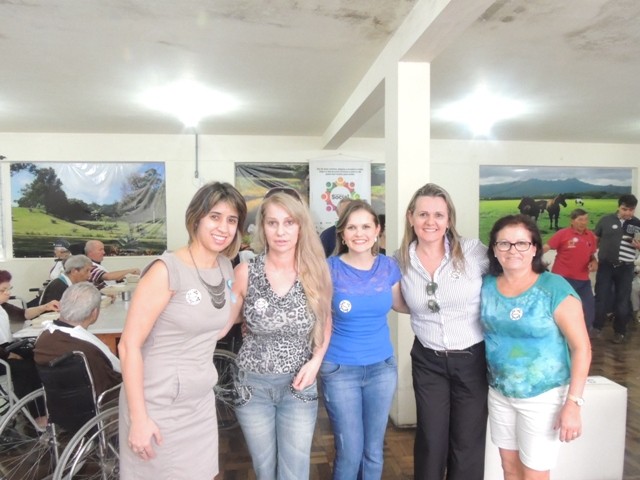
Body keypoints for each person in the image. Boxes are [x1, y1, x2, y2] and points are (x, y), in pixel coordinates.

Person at [118, 182, 247, 479]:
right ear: (196, 218)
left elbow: (216, 328)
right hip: (157, 402)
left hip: (200, 400)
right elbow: (128, 345)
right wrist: (139, 418)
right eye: (215, 217)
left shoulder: (225, 266)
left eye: (231, 220)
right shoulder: (166, 270)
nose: (223, 227)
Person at [231, 188, 332, 480]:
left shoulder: (316, 271)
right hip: (253, 387)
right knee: (265, 470)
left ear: (300, 226)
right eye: (272, 223)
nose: (281, 231)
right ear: (262, 226)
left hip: (298, 385)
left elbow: (326, 321)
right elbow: (223, 322)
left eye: (289, 222)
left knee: (294, 472)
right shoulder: (246, 272)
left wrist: (316, 361)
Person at [481, 214, 591, 480]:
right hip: (500, 392)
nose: (512, 250)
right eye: (504, 243)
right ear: (494, 249)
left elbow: (582, 349)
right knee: (509, 468)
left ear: (535, 249)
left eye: (522, 243)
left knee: (534, 474)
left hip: (543, 396)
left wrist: (573, 403)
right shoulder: (486, 285)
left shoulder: (554, 288)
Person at [396, 183, 489, 480]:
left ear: (449, 220)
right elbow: (399, 303)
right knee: (431, 438)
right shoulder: (399, 261)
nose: (430, 221)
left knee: (467, 441)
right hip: (428, 361)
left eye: (438, 215)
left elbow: (507, 280)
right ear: (411, 217)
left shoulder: (473, 252)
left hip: (472, 359)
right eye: (423, 214)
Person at [320, 200, 406, 479]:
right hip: (340, 370)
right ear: (342, 234)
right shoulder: (329, 269)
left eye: (366, 226)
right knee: (350, 451)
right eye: (352, 227)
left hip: (382, 368)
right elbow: (317, 319)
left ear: (377, 230)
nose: (360, 233)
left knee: (373, 451)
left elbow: (401, 304)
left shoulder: (389, 267)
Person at [34, 281, 122, 398]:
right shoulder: (87, 348)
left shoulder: (44, 337)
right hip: (103, 401)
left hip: (58, 403)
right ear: (94, 313)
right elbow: (115, 376)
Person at [0, 270, 59, 414]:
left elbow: (24, 314)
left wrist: (45, 307)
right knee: (25, 368)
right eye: (3, 290)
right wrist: (8, 355)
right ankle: (32, 412)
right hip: (2, 355)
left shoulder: (3, 306)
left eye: (9, 289)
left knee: (39, 355)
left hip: (6, 348)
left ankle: (46, 407)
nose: (8, 293)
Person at [591, 194, 640, 343]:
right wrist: (592, 258)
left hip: (626, 268)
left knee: (622, 300)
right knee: (601, 297)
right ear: (618, 207)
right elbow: (594, 240)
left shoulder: (637, 223)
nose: (627, 213)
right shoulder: (606, 220)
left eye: (631, 210)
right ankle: (596, 327)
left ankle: (620, 331)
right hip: (605, 266)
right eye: (625, 209)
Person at [543, 208, 598, 329]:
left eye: (585, 219)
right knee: (561, 310)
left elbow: (591, 255)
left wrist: (594, 262)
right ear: (572, 221)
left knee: (588, 309)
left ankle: (584, 335)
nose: (583, 222)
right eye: (580, 219)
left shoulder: (590, 236)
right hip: (563, 279)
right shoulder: (563, 234)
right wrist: (530, 257)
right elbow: (546, 247)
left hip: (583, 280)